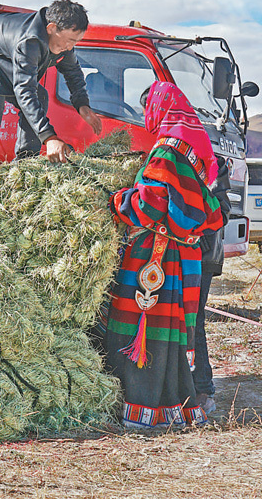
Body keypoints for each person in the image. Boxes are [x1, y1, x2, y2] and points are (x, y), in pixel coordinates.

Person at [106, 80, 224, 430]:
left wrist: (117, 200)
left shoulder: (167, 151)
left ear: (159, 109)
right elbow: (206, 212)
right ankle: (173, 405)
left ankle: (141, 407)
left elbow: (149, 206)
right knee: (172, 332)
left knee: (141, 328)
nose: (146, 118)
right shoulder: (196, 152)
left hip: (157, 257)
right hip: (184, 256)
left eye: (148, 110)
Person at [0, 0, 102, 181]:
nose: (71, 47)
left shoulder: (62, 43)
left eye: (75, 42)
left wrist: (82, 104)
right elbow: (24, 91)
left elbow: (73, 72)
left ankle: (25, 163)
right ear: (52, 28)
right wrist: (49, 138)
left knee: (40, 95)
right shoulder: (30, 40)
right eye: (70, 40)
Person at [194, 155, 231, 414]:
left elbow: (223, 211)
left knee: (194, 320)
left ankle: (203, 388)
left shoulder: (213, 163)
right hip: (172, 252)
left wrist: (199, 233)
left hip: (202, 256)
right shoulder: (162, 156)